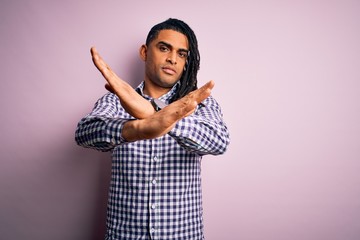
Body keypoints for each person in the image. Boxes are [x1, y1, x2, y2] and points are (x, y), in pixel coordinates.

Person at [75, 18, 230, 240]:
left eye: (182, 54)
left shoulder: (199, 103)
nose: (172, 59)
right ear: (145, 52)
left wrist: (155, 114)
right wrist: (138, 129)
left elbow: (219, 140)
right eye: (164, 48)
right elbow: (84, 132)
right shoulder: (117, 99)